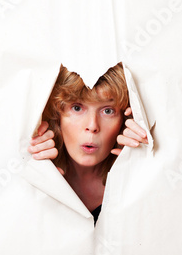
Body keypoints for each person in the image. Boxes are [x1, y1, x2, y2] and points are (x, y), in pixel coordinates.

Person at [27, 63, 148, 225]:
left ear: (123, 119)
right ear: (58, 116)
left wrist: (145, 165)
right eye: (77, 108)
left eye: (108, 111)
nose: (92, 126)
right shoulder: (38, 172)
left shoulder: (137, 180)